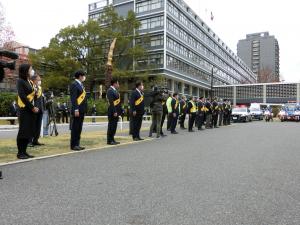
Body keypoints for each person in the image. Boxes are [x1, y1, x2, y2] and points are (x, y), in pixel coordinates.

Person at [16, 64, 39, 159]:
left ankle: (24, 152)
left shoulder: (29, 81)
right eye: (30, 69)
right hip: (24, 109)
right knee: (23, 131)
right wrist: (32, 107)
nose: (32, 70)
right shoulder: (20, 81)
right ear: (25, 70)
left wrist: (36, 94)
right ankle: (20, 153)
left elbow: (32, 95)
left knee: (28, 131)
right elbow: (22, 96)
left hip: (31, 109)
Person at [70, 70, 87, 151]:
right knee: (75, 127)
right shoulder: (74, 84)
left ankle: (77, 144)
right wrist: (76, 109)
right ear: (80, 76)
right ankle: (73, 145)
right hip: (77, 110)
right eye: (83, 75)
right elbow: (74, 99)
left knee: (79, 127)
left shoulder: (81, 85)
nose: (84, 77)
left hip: (82, 109)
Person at [29, 74, 45, 147]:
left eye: (40, 80)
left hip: (40, 110)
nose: (39, 81)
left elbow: (41, 100)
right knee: (32, 126)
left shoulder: (40, 88)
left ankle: (36, 140)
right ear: (34, 80)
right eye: (38, 80)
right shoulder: (30, 87)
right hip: (34, 109)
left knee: (38, 126)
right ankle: (30, 141)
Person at [106, 78, 122, 145]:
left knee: (114, 126)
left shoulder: (115, 91)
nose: (118, 85)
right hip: (112, 111)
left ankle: (112, 139)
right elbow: (111, 102)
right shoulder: (110, 90)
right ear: (114, 83)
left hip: (116, 111)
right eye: (118, 83)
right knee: (111, 126)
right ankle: (109, 140)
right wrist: (114, 111)